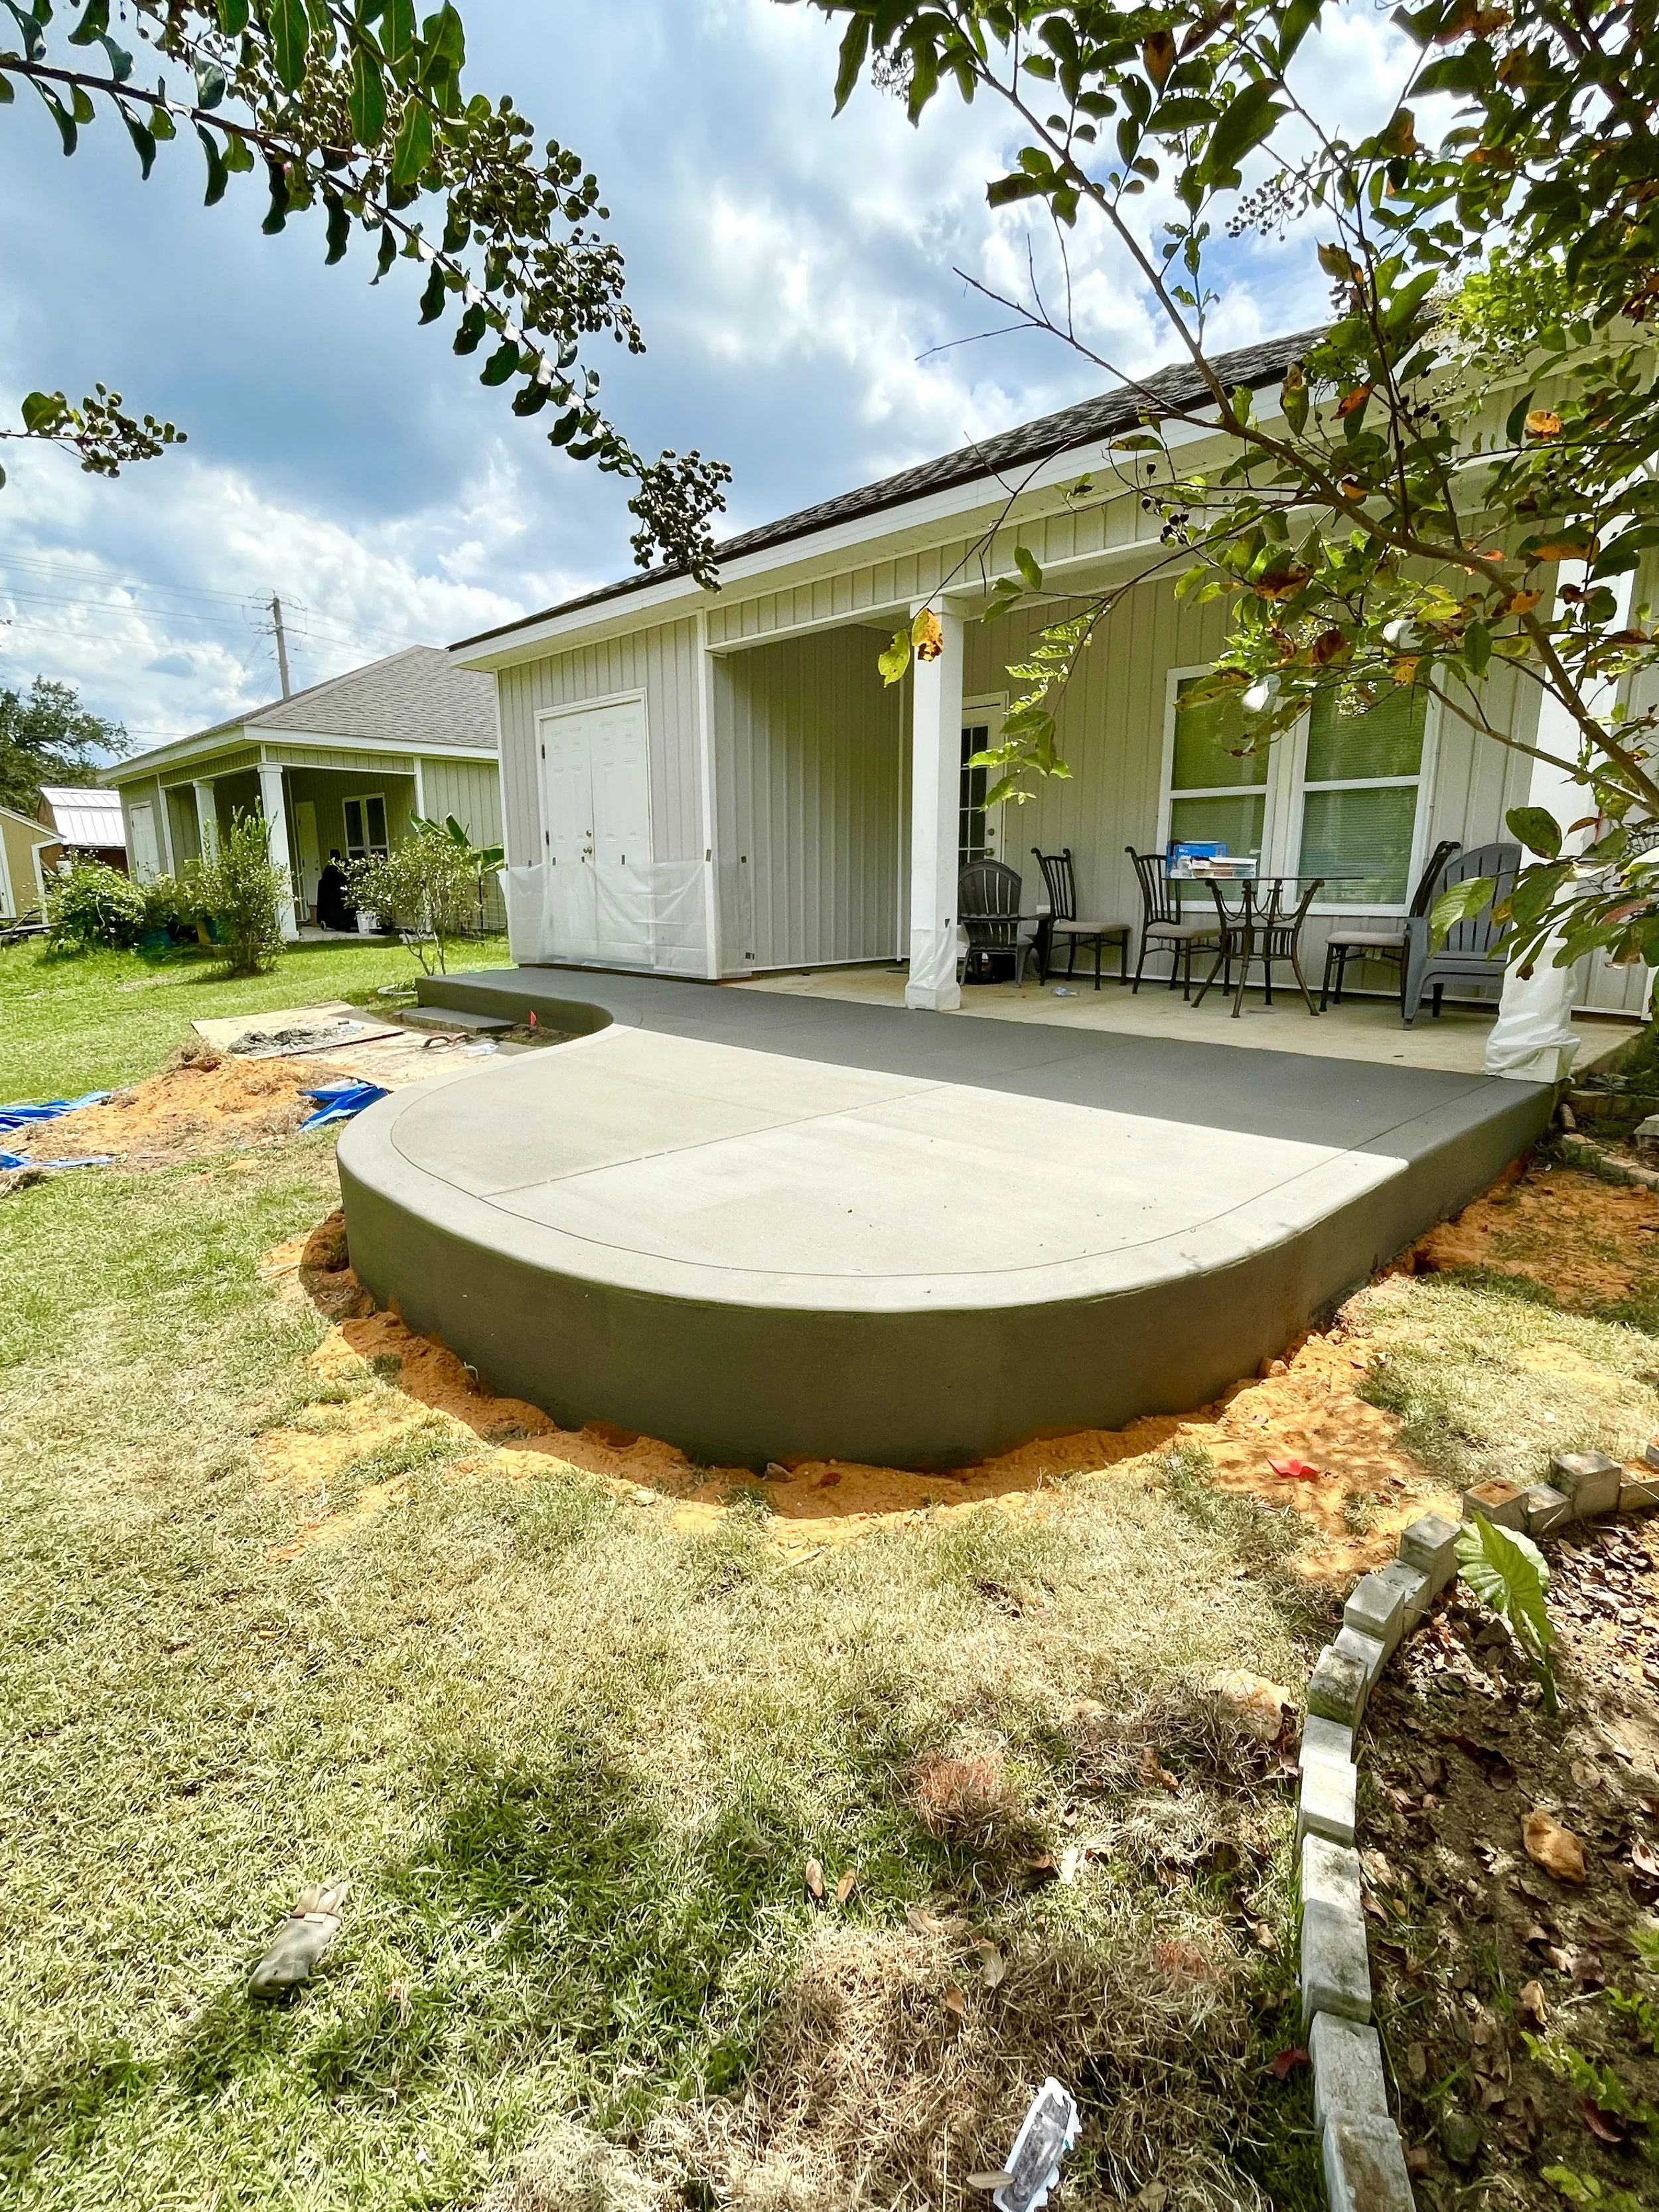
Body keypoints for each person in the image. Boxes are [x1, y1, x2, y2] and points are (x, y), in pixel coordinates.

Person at [317, 849, 354, 932]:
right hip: (339, 892)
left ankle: (333, 923)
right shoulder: (341, 867)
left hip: (330, 894)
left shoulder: (329, 868)